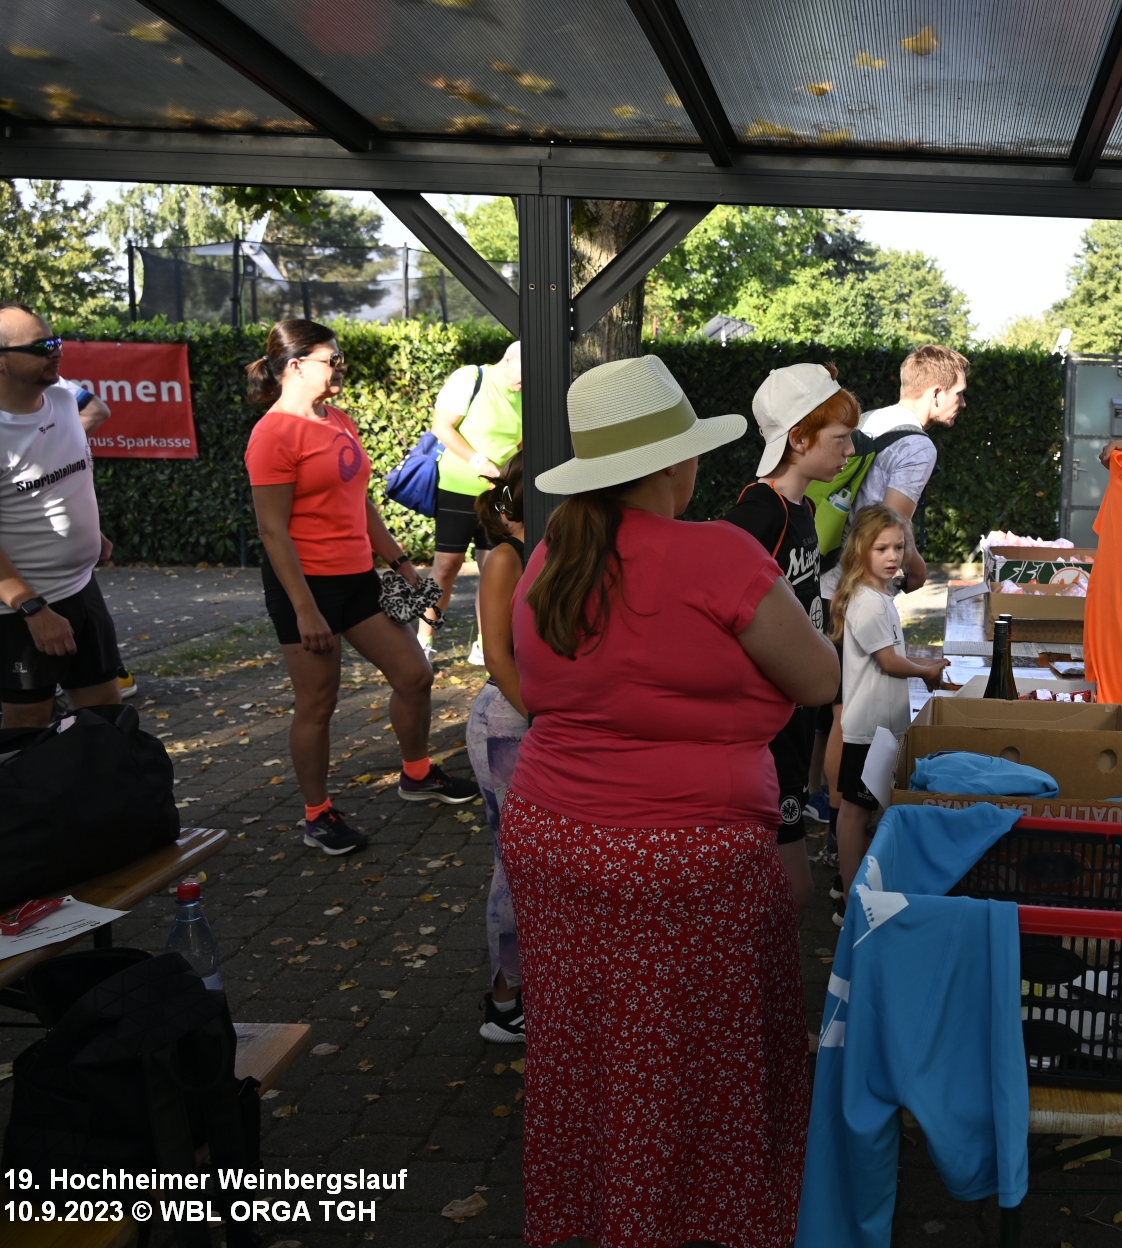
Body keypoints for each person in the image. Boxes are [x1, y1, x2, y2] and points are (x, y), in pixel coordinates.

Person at [502, 353, 838, 1248]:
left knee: (589, 1059)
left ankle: (602, 1214)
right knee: (704, 1068)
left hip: (554, 842)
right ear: (674, 463)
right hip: (690, 858)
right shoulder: (719, 553)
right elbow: (817, 678)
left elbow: (548, 688)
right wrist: (747, 698)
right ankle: (695, 1219)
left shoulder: (551, 557)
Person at [244, 320, 479, 858]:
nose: (341, 367)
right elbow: (272, 531)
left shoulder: (338, 420)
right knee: (318, 702)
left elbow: (360, 501)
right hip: (304, 587)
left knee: (414, 675)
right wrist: (305, 609)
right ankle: (317, 815)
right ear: (296, 365)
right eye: (332, 359)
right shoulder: (273, 434)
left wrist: (400, 561)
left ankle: (417, 774)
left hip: (357, 578)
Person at [723, 363, 860, 913]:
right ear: (798, 439)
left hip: (796, 715)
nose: (850, 451)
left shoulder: (804, 507)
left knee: (783, 896)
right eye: (840, 439)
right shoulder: (760, 512)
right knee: (792, 895)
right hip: (768, 727)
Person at [817, 343, 967, 810]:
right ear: (936, 392)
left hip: (824, 576)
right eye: (959, 393)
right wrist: (916, 569)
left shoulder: (871, 419)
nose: (962, 402)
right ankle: (840, 818)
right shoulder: (918, 445)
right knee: (849, 710)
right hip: (854, 587)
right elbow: (891, 521)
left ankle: (818, 800)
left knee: (830, 705)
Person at [0, 303, 122, 729]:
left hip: (81, 588)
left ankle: (101, 777)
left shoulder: (62, 399)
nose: (56, 351)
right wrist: (33, 610)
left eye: (55, 341)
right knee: (29, 724)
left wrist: (89, 531)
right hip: (20, 611)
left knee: (106, 712)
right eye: (40, 346)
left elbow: (66, 475)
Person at [830, 503, 949, 907]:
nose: (893, 556)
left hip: (879, 725)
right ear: (861, 549)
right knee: (855, 813)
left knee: (862, 810)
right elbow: (889, 662)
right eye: (881, 548)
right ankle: (851, 895)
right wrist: (926, 671)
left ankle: (854, 887)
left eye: (899, 547)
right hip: (870, 728)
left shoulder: (878, 596)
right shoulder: (869, 602)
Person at [465, 453, 528, 1044]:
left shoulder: (553, 550)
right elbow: (497, 655)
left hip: (531, 719)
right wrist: (543, 715)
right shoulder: (507, 557)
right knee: (513, 861)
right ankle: (506, 1003)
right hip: (509, 721)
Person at [424, 340, 523, 654]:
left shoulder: (526, 394)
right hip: (458, 487)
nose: (527, 381)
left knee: (494, 567)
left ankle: (486, 645)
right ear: (508, 360)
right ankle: (423, 641)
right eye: (524, 373)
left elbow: (521, 444)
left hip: (498, 493)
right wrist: (480, 463)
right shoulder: (471, 377)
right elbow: (441, 427)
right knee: (446, 565)